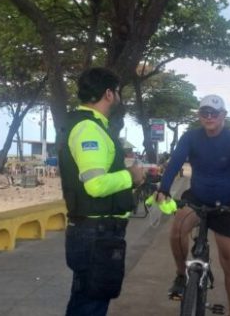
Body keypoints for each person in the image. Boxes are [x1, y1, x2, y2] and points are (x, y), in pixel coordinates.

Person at [156, 94, 230, 316]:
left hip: (226, 204)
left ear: (223, 116)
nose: (209, 117)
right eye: (204, 113)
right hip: (197, 198)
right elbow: (175, 163)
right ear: (199, 115)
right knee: (177, 230)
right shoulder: (191, 137)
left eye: (214, 113)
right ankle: (181, 275)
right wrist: (163, 189)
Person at [58, 67, 145, 316]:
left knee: (86, 300)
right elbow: (95, 185)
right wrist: (131, 176)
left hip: (95, 231)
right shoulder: (89, 129)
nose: (118, 98)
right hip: (96, 233)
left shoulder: (93, 125)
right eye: (117, 92)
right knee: (90, 305)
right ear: (108, 94)